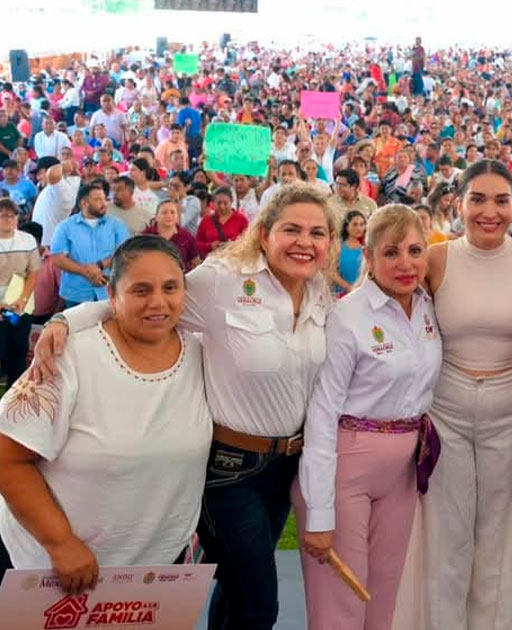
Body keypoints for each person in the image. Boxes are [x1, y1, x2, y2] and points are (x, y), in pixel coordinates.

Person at [35, 183, 339, 629]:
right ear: (264, 232)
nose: (304, 242)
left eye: (317, 233)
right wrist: (65, 319)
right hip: (230, 473)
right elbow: (148, 296)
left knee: (237, 595)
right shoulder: (223, 280)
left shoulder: (319, 293)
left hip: (286, 469)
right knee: (259, 606)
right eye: (291, 229)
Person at [0, 236, 209, 592]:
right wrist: (60, 543)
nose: (158, 302)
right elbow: (7, 457)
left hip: (152, 576)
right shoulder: (67, 358)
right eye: (140, 290)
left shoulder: (203, 354)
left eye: (170, 287)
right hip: (53, 573)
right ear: (112, 296)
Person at [414, 160, 512, 630]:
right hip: (444, 411)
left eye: (500, 200)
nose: (488, 211)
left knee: (505, 532)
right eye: (478, 199)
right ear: (460, 203)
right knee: (444, 532)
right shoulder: (435, 259)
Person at [293, 205, 439, 630]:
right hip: (346, 465)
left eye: (415, 250)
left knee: (383, 596)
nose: (406, 263)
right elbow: (321, 413)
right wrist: (320, 512)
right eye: (391, 252)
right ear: (369, 257)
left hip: (404, 470)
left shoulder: (429, 307)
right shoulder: (347, 316)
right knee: (341, 599)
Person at [50, 183, 131, 307]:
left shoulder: (117, 224)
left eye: (104, 199)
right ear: (84, 203)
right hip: (76, 292)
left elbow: (126, 252)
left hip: (109, 290)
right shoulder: (65, 227)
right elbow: (57, 259)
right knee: (78, 326)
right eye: (98, 199)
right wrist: (85, 271)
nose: (104, 203)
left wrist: (99, 265)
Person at [0, 200, 40, 385]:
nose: (8, 219)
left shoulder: (27, 240)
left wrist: (22, 299)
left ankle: (15, 389)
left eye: (12, 215)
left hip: (20, 302)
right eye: (3, 215)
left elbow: (34, 271)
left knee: (18, 347)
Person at [143, 199, 200, 270]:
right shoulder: (145, 236)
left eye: (172, 212)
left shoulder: (187, 237)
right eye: (164, 213)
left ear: (177, 217)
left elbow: (195, 262)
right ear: (156, 217)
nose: (169, 215)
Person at [196, 187, 250, 257]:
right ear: (213, 203)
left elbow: (248, 242)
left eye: (225, 203)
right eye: (219, 203)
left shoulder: (241, 220)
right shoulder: (206, 220)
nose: (222, 207)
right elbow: (196, 244)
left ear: (231, 201)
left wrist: (232, 245)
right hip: (211, 262)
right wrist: (210, 246)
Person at [331, 211, 366, 296]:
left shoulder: (368, 246)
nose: (359, 228)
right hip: (341, 293)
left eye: (362, 224)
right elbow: (332, 272)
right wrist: (349, 287)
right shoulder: (338, 245)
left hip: (363, 293)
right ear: (347, 226)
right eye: (355, 224)